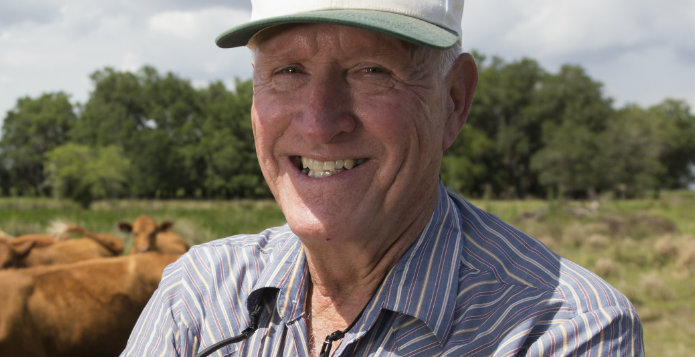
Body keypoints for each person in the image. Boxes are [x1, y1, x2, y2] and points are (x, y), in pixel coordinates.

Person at [120, 0, 644, 356]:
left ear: (454, 101)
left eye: (372, 71)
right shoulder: (199, 291)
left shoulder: (557, 329)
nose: (321, 124)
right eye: (288, 71)